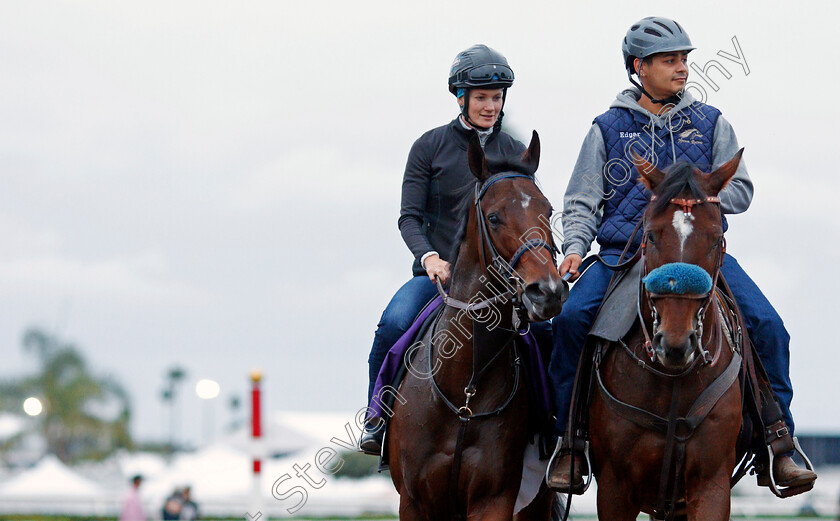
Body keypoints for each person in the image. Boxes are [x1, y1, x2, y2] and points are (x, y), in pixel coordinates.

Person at [545, 16, 817, 492]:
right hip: (622, 256)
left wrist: (704, 197)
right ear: (639, 67)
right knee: (569, 324)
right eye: (669, 60)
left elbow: (743, 190)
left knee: (769, 327)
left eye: (685, 60)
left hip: (699, 255)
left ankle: (780, 441)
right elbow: (581, 201)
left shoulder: (710, 123)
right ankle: (569, 443)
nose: (682, 68)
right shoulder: (607, 128)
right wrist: (572, 248)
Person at [358, 44, 528, 455]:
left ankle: (552, 425)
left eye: (497, 97)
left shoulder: (513, 152)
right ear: (461, 98)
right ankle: (377, 417)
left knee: (546, 330)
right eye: (482, 97)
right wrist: (429, 258)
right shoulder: (428, 147)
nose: (490, 106)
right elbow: (408, 218)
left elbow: (525, 218)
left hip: (502, 283)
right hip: (437, 278)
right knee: (394, 322)